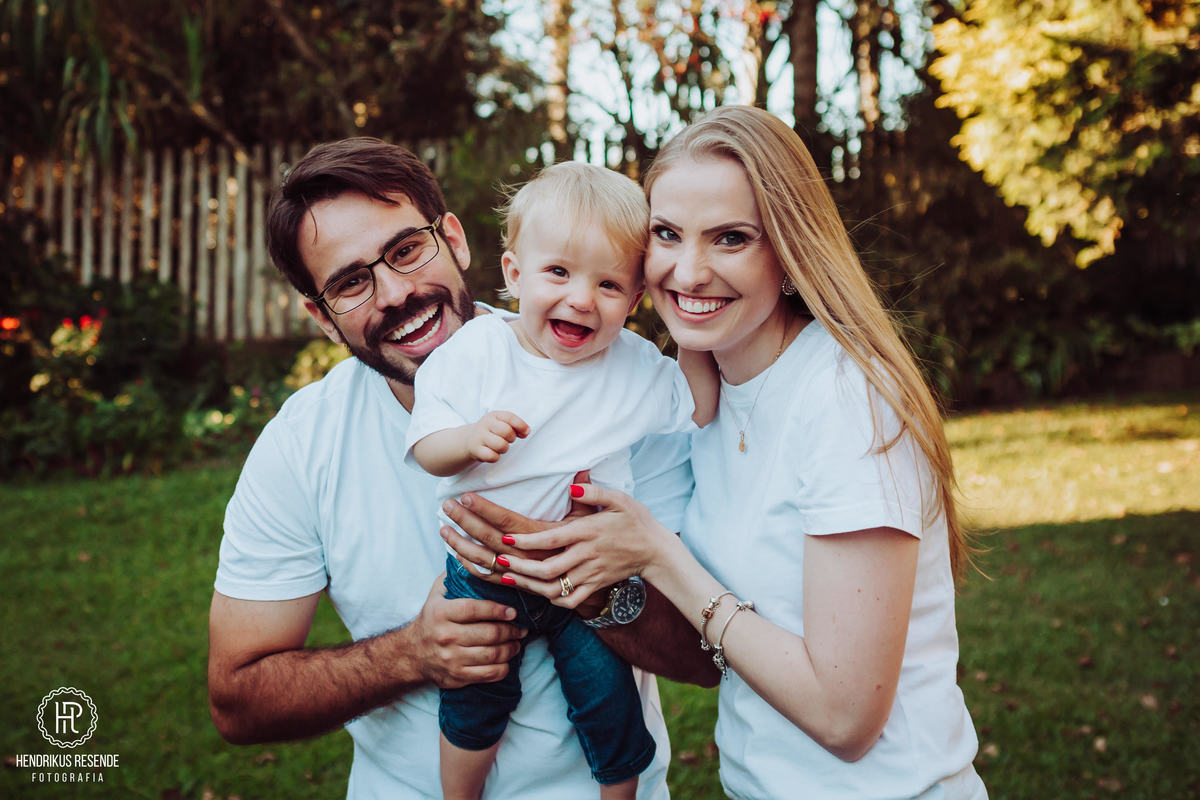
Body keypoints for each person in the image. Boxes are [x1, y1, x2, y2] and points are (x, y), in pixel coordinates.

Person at [442, 106, 988, 799]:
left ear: (789, 254)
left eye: (730, 239)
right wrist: (575, 571)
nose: (689, 271)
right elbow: (709, 653)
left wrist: (658, 557)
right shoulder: (695, 397)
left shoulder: (847, 400)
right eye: (668, 234)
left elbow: (846, 718)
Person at [206, 138, 712, 800]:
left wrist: (598, 590)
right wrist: (412, 654)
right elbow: (238, 699)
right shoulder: (302, 445)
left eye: (406, 250)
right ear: (323, 319)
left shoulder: (617, 381)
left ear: (454, 239)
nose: (395, 293)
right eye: (352, 283)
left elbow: (711, 658)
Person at [405, 161, 717, 799]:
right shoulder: (476, 353)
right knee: (475, 698)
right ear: (514, 272)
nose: (581, 298)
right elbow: (426, 445)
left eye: (609, 285)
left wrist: (688, 328)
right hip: (486, 572)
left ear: (634, 302)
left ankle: (620, 792)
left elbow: (698, 404)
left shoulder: (631, 366)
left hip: (588, 574)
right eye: (558, 272)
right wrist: (468, 440)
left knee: (608, 702)